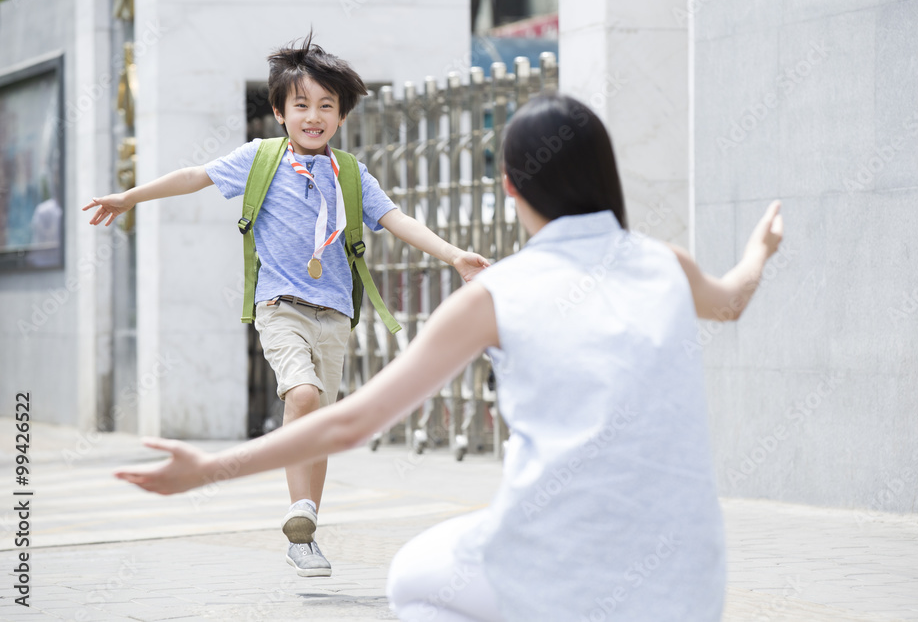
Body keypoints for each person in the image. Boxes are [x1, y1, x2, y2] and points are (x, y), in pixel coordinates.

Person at [115, 93, 783, 621]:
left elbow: (353, 423)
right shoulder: (668, 264)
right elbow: (733, 299)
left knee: (414, 578)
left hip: (559, 578)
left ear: (509, 188)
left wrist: (208, 468)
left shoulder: (497, 294)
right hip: (693, 587)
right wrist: (760, 247)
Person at [85, 32, 490, 579]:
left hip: (335, 315)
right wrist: (130, 196)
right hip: (280, 306)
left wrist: (454, 256)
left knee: (316, 415)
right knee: (302, 393)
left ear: (342, 115)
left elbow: (396, 220)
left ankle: (305, 525)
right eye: (302, 105)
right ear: (279, 112)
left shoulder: (350, 173)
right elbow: (194, 176)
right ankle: (298, 508)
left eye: (327, 105)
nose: (314, 116)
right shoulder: (261, 158)